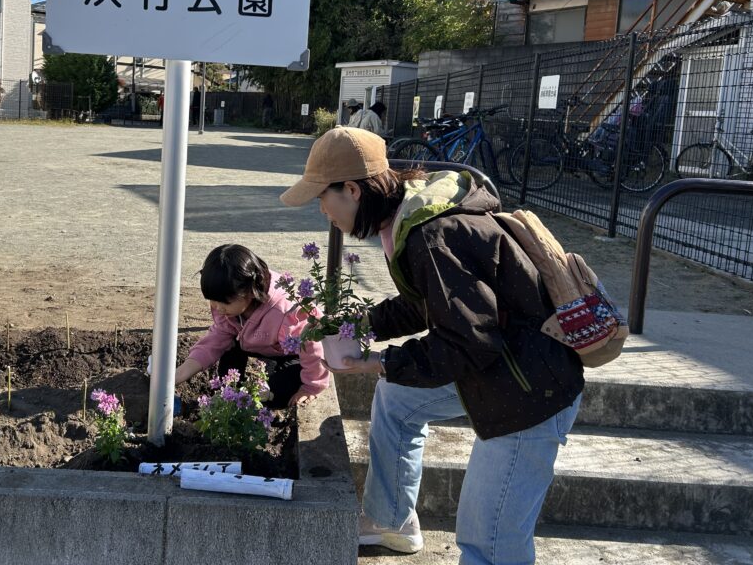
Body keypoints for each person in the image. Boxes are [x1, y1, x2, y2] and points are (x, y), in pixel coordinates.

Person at [280, 128, 583, 563]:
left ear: (351, 190)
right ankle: (392, 521)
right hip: (503, 367)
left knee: (489, 543)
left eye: (321, 198)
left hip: (527, 393)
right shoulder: (412, 216)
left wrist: (381, 361)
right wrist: (360, 325)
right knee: (400, 400)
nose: (323, 212)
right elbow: (429, 304)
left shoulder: (430, 234)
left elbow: (468, 342)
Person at [174, 244, 329, 408]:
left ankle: (256, 402)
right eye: (212, 300)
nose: (217, 307)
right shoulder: (228, 307)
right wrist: (179, 374)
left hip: (291, 354)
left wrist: (311, 387)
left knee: (275, 393)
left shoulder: (283, 312)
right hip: (255, 341)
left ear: (249, 292)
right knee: (228, 349)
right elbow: (215, 340)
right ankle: (231, 395)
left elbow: (312, 346)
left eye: (224, 302)